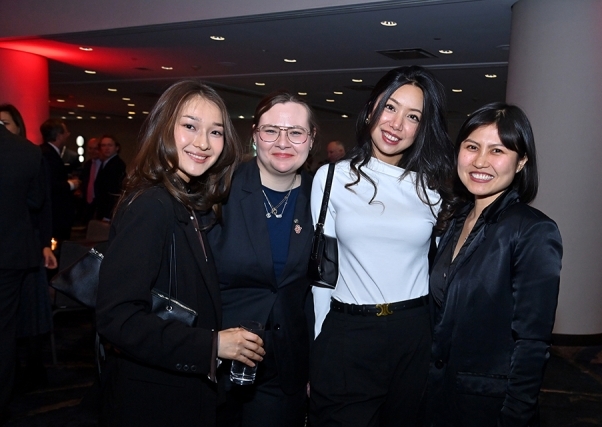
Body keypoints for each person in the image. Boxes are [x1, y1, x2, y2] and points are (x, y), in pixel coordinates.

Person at [95, 80, 265, 427]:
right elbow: (118, 318)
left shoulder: (186, 203)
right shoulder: (152, 205)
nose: (203, 143)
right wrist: (212, 345)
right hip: (152, 400)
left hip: (180, 391)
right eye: (190, 126)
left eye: (215, 132)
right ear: (163, 129)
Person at [309, 65, 456, 427]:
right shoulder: (331, 177)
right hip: (347, 333)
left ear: (423, 127)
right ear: (373, 106)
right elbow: (321, 275)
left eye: (413, 117)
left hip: (413, 332)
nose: (396, 124)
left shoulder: (432, 190)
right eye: (390, 107)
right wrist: (317, 348)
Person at [425, 102, 562, 427]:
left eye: (497, 150)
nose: (480, 161)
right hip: (436, 398)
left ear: (521, 162)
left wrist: (515, 416)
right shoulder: (452, 220)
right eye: (472, 147)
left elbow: (532, 343)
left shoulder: (533, 231)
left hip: (489, 407)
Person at [207, 90, 316, 427]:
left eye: (295, 132)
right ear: (255, 135)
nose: (283, 141)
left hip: (285, 366)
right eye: (271, 130)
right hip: (216, 361)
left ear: (311, 140)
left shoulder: (323, 197)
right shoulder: (218, 189)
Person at [0, 104, 57, 392]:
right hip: (11, 253)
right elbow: (36, 201)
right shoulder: (26, 153)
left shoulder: (29, 152)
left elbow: (42, 207)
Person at [40, 119, 80, 242]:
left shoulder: (46, 151)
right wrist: (71, 185)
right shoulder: (47, 154)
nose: (68, 135)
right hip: (55, 213)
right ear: (58, 136)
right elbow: (51, 184)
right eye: (65, 132)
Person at [93, 134, 126, 221]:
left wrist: (107, 215)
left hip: (109, 212)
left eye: (110, 145)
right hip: (103, 210)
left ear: (117, 148)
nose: (106, 148)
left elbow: (114, 191)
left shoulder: (117, 165)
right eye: (103, 145)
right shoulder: (105, 163)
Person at [77, 136, 102, 224]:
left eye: (95, 149)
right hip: (87, 203)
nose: (92, 151)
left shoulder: (104, 165)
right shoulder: (87, 165)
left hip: (99, 203)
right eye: (90, 148)